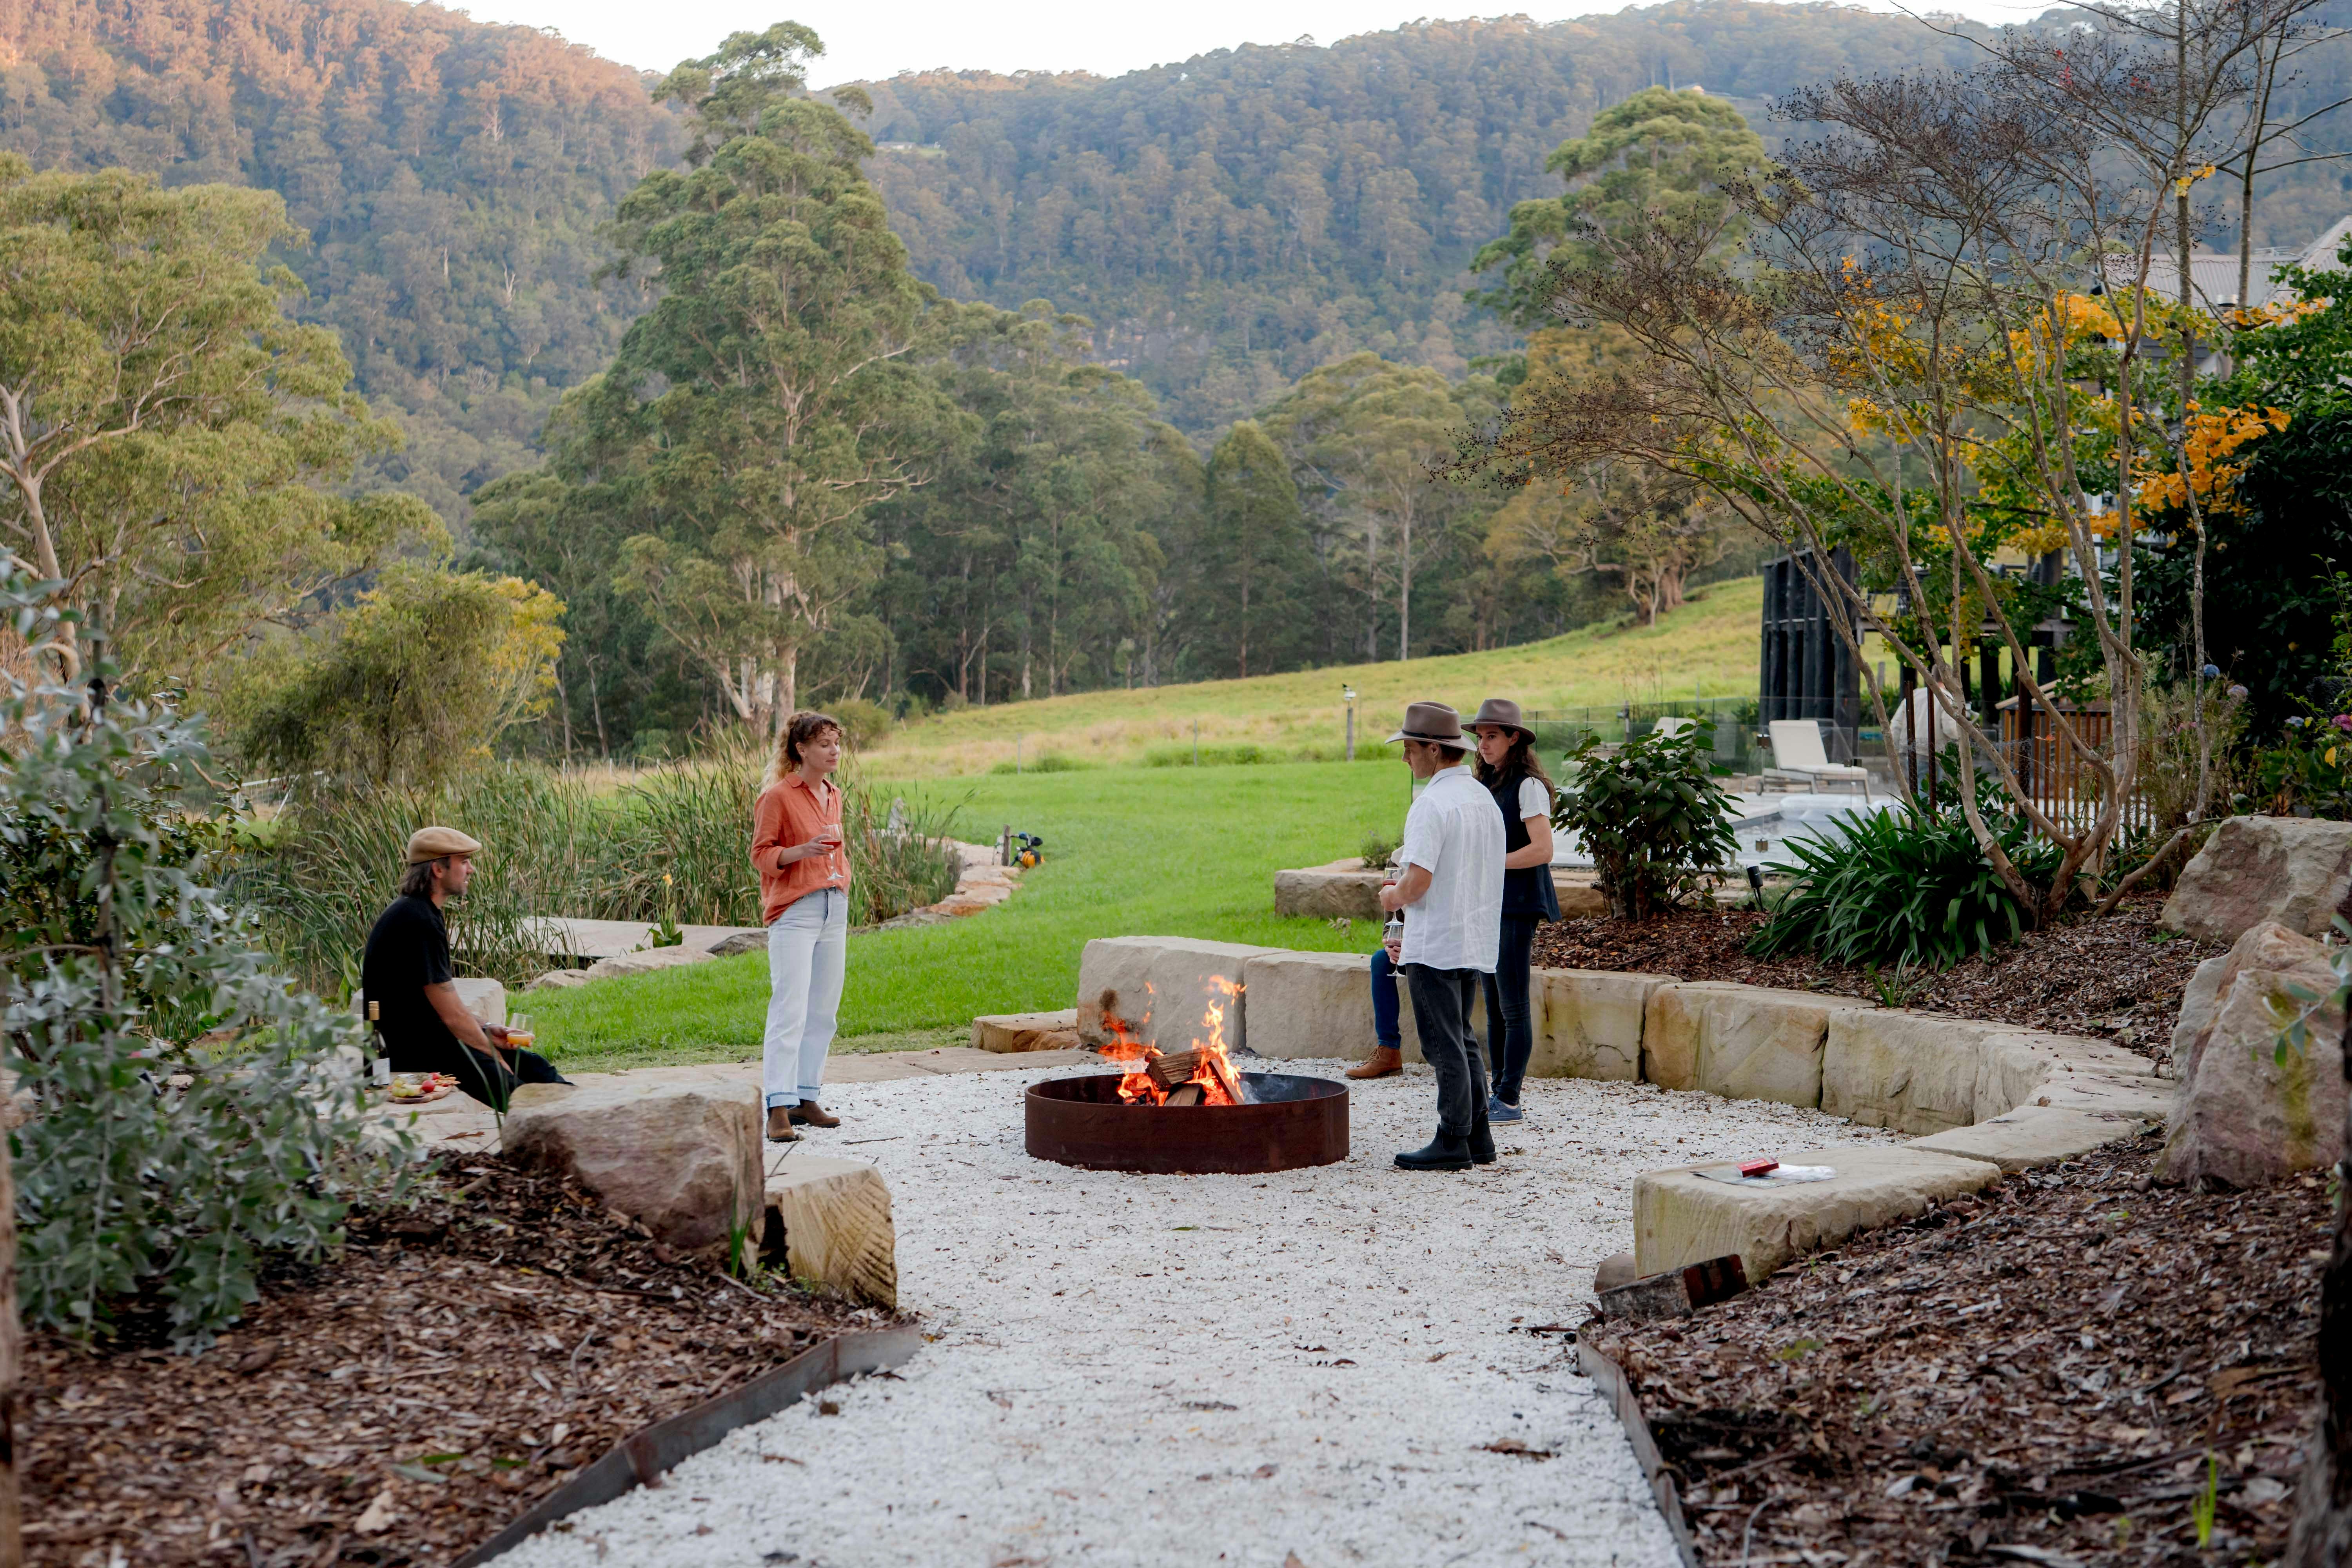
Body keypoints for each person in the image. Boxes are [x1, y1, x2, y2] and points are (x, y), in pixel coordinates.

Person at [1378, 702, 1505, 1172]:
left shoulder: (1431, 803)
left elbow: (1419, 880)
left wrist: (1391, 897)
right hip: (1472, 933)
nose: (1406, 759)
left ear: (1434, 749)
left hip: (1435, 937)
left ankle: (1452, 1138)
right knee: (1464, 1037)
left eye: (1410, 749)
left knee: (1442, 1043)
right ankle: (1479, 1136)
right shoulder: (1481, 797)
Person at [361, 826, 572, 1108]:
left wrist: (487, 1028)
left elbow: (444, 1007)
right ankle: (557, 1138)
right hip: (410, 1051)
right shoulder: (418, 920)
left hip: (429, 1040)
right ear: (438, 869)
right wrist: (492, 1056)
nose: (470, 870)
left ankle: (582, 1122)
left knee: (536, 1069)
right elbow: (452, 1018)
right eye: (464, 862)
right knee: (517, 1093)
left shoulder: (418, 911)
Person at [752, 710, 852, 1144]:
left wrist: (843, 881)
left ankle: (806, 1097)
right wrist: (801, 852)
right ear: (802, 749)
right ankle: (778, 1107)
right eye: (825, 744)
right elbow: (761, 855)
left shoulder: (833, 793)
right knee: (789, 1010)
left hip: (834, 907)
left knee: (823, 1011)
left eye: (836, 743)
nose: (834, 751)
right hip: (795, 913)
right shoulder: (777, 797)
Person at [1468, 698, 1558, 1125]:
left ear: (1514, 738)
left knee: (1514, 1004)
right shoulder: (1488, 782)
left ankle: (1510, 1096)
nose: (1483, 745)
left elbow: (1543, 849)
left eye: (1492, 736)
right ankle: (1498, 1090)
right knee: (1495, 1001)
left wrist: (1492, 863)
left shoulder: (1527, 785)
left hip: (1518, 903)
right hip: (1491, 902)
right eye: (1480, 737)